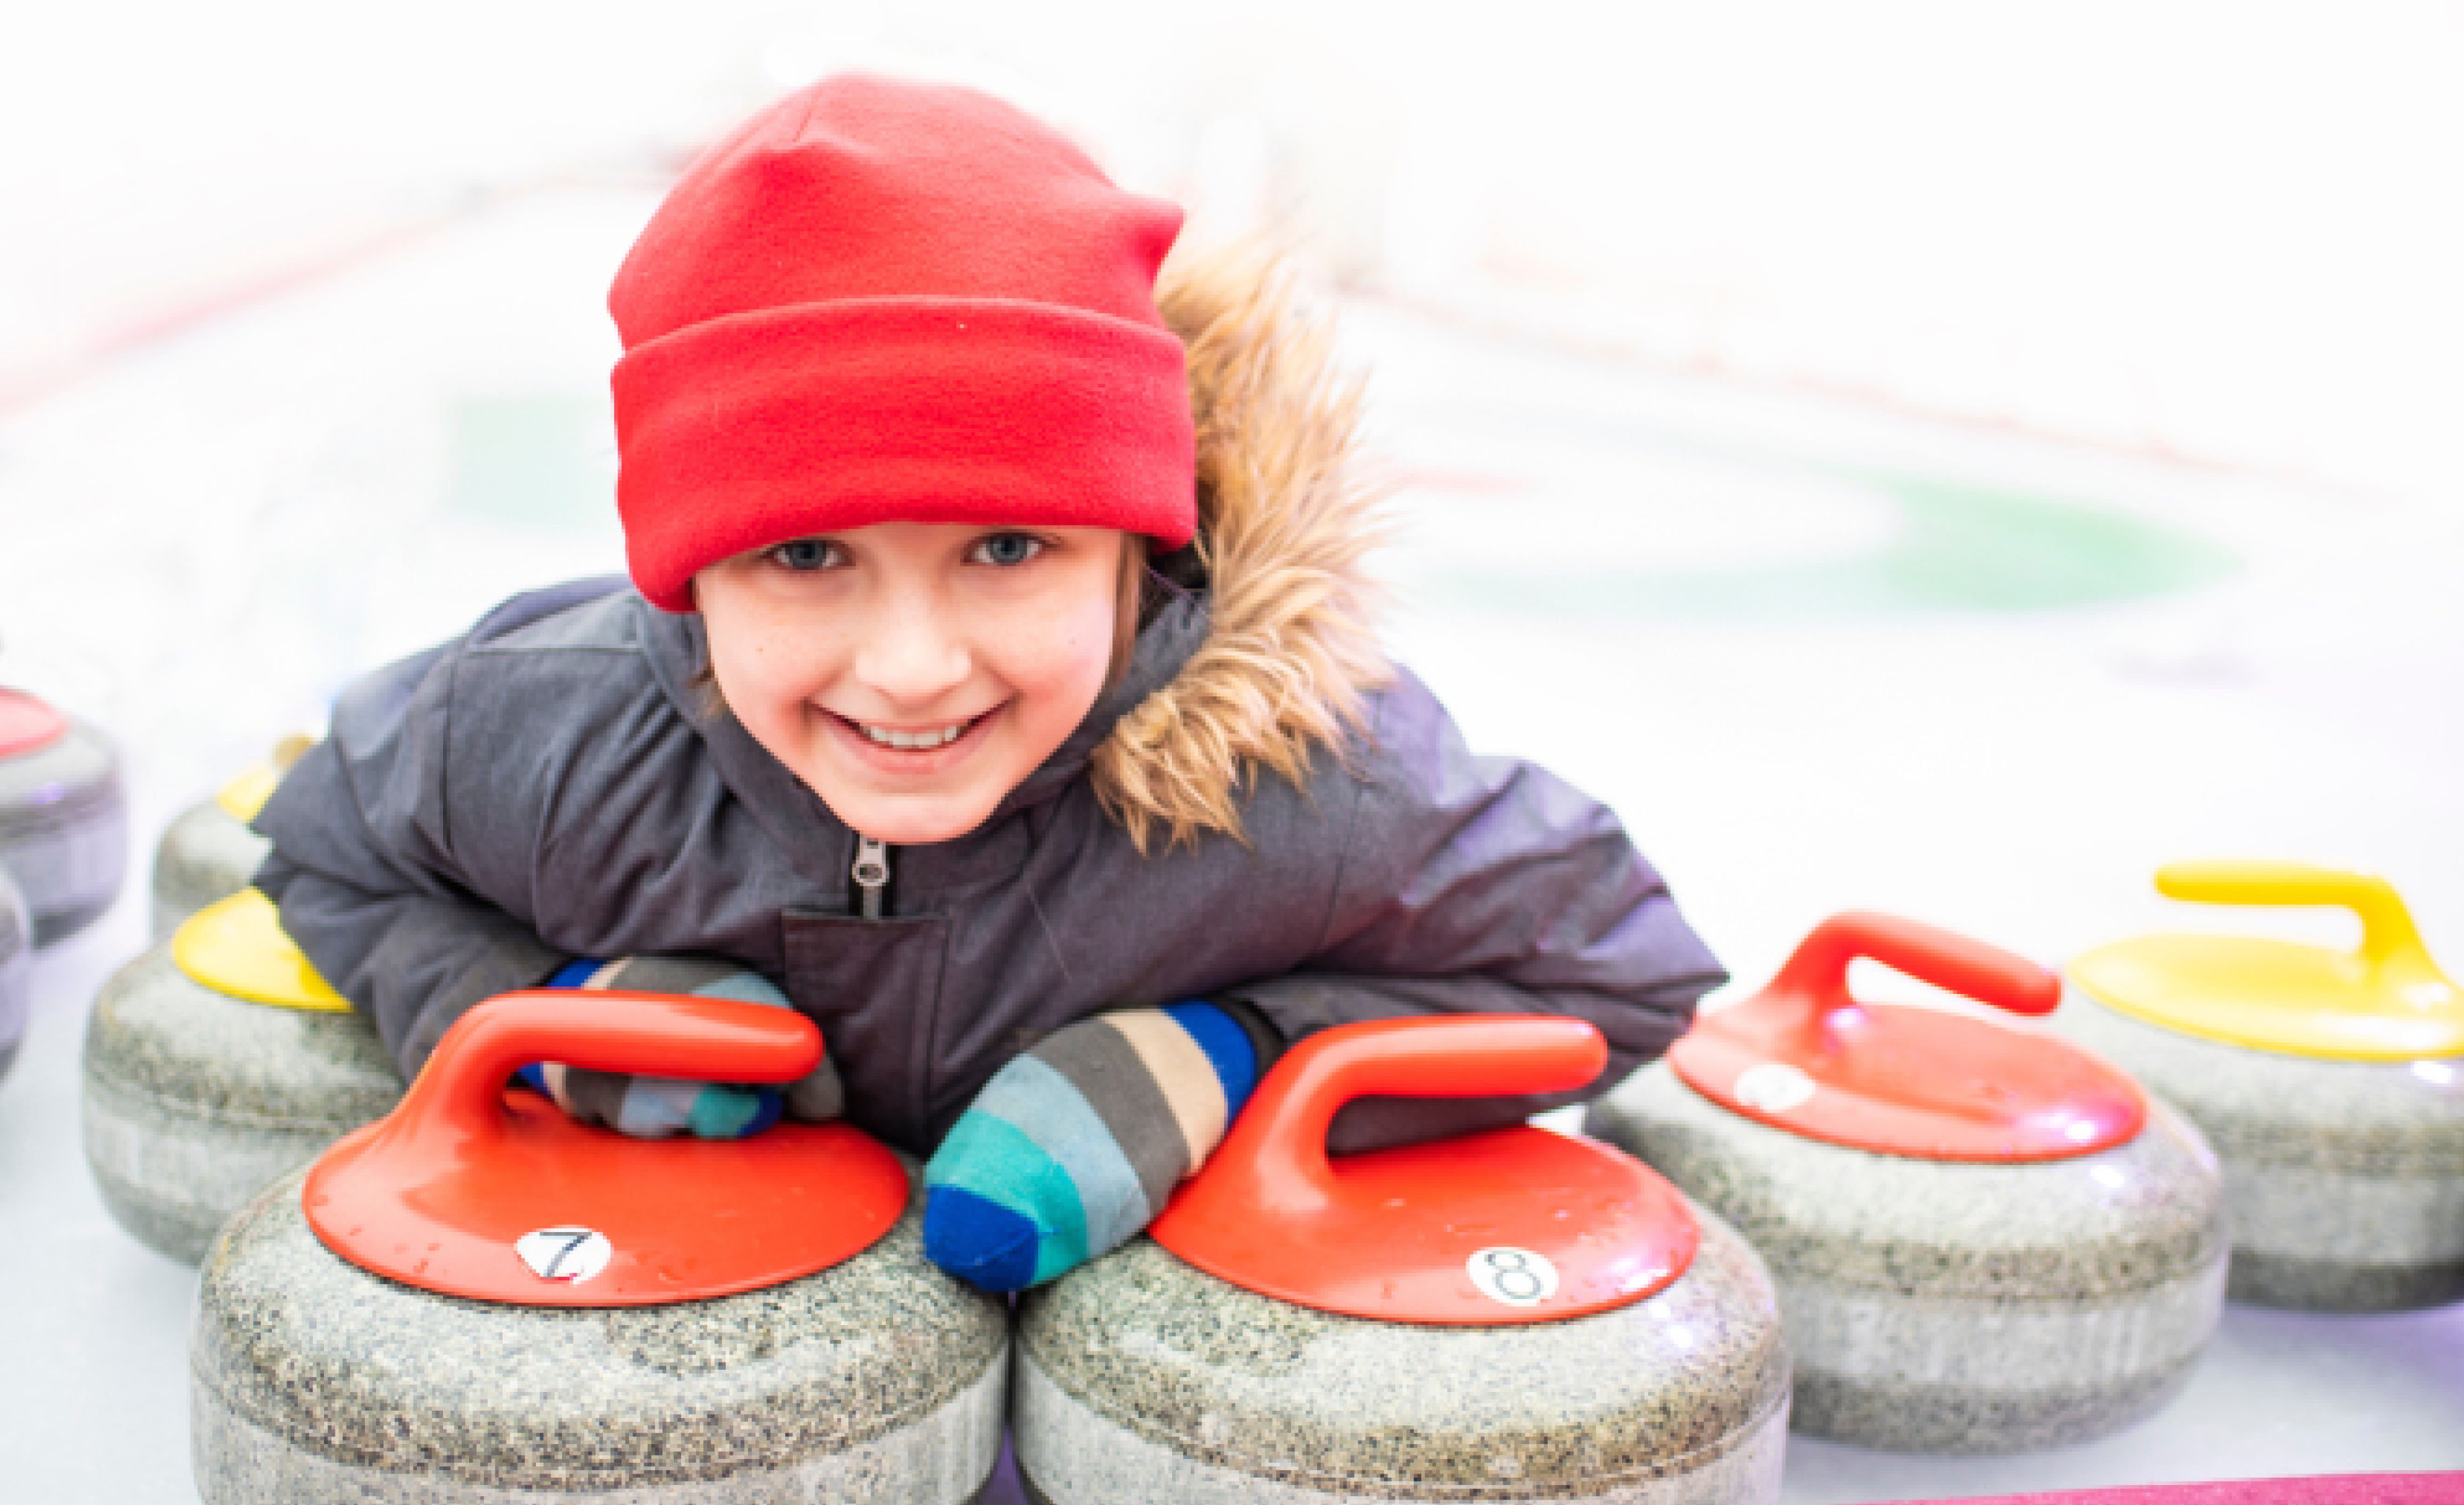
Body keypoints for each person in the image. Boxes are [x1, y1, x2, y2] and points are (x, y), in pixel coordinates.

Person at [254, 73, 1723, 1293]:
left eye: (1008, 548)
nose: (911, 668)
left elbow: (1619, 968)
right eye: (805, 554)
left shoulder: (1305, 785)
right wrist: (562, 1011)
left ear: (1136, 552)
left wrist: (1224, 1056)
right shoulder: (545, 736)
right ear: (691, 570)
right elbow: (326, 845)